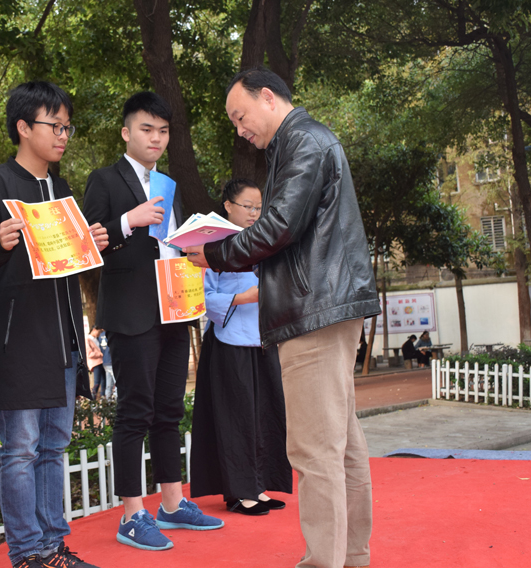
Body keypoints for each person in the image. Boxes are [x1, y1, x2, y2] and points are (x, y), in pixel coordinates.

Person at [184, 67, 380, 568]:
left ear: (268, 98)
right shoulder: (300, 144)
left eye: (240, 115)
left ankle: (325, 560)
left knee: (315, 450)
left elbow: (278, 227)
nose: (239, 129)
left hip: (314, 309)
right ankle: (351, 555)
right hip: (324, 305)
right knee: (341, 444)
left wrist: (217, 254)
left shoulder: (304, 142)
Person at [0, 81, 107, 568]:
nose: (63, 135)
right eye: (55, 126)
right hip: (18, 339)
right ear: (24, 127)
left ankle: (53, 546)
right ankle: (27, 552)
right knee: (21, 449)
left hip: (64, 338)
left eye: (67, 127)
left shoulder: (62, 191)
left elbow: (68, 265)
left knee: (54, 446)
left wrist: (91, 243)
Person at [83, 91, 224, 552]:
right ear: (126, 132)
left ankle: (172, 503)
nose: (156, 138)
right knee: (135, 412)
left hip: (173, 308)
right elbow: (87, 244)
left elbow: (170, 242)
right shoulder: (104, 180)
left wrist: (193, 247)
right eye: (147, 129)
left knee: (169, 410)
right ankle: (131, 515)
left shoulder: (168, 184)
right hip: (130, 312)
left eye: (163, 131)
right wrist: (129, 220)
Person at [189, 179, 292, 516]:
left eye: (258, 208)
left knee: (264, 414)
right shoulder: (210, 244)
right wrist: (242, 297)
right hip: (229, 341)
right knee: (236, 418)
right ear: (228, 206)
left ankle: (259, 486)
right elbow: (200, 295)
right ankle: (239, 492)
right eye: (247, 206)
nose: (254, 213)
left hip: (262, 338)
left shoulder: (263, 241)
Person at [86, 328, 105, 398]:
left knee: (103, 380)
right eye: (98, 332)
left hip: (100, 362)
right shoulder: (88, 339)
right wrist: (99, 354)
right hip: (95, 362)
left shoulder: (96, 339)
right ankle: (93, 398)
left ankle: (103, 397)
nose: (99, 334)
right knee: (97, 381)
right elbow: (89, 353)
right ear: (94, 330)